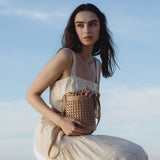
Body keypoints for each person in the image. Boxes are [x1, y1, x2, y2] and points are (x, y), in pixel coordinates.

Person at [26, 3, 148, 160]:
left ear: (100, 28)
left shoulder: (96, 65)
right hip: (55, 137)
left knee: (138, 152)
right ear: (74, 30)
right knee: (122, 155)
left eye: (92, 24)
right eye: (80, 25)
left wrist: (92, 99)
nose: (86, 30)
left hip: (81, 135)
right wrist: (62, 121)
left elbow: (89, 115)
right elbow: (31, 94)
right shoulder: (66, 57)